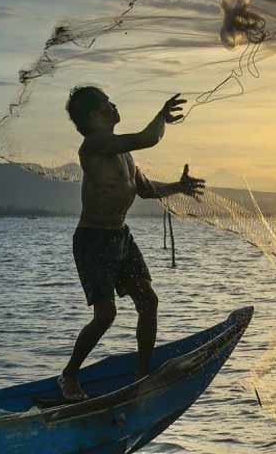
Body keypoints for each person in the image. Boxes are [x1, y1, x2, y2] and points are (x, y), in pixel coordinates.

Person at [57, 86, 205, 401]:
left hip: (120, 236)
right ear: (95, 116)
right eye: (108, 103)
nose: (114, 105)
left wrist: (179, 186)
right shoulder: (95, 145)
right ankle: (69, 375)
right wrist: (162, 116)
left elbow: (147, 191)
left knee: (148, 301)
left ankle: (142, 376)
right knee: (106, 315)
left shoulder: (124, 153)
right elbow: (149, 137)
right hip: (93, 240)